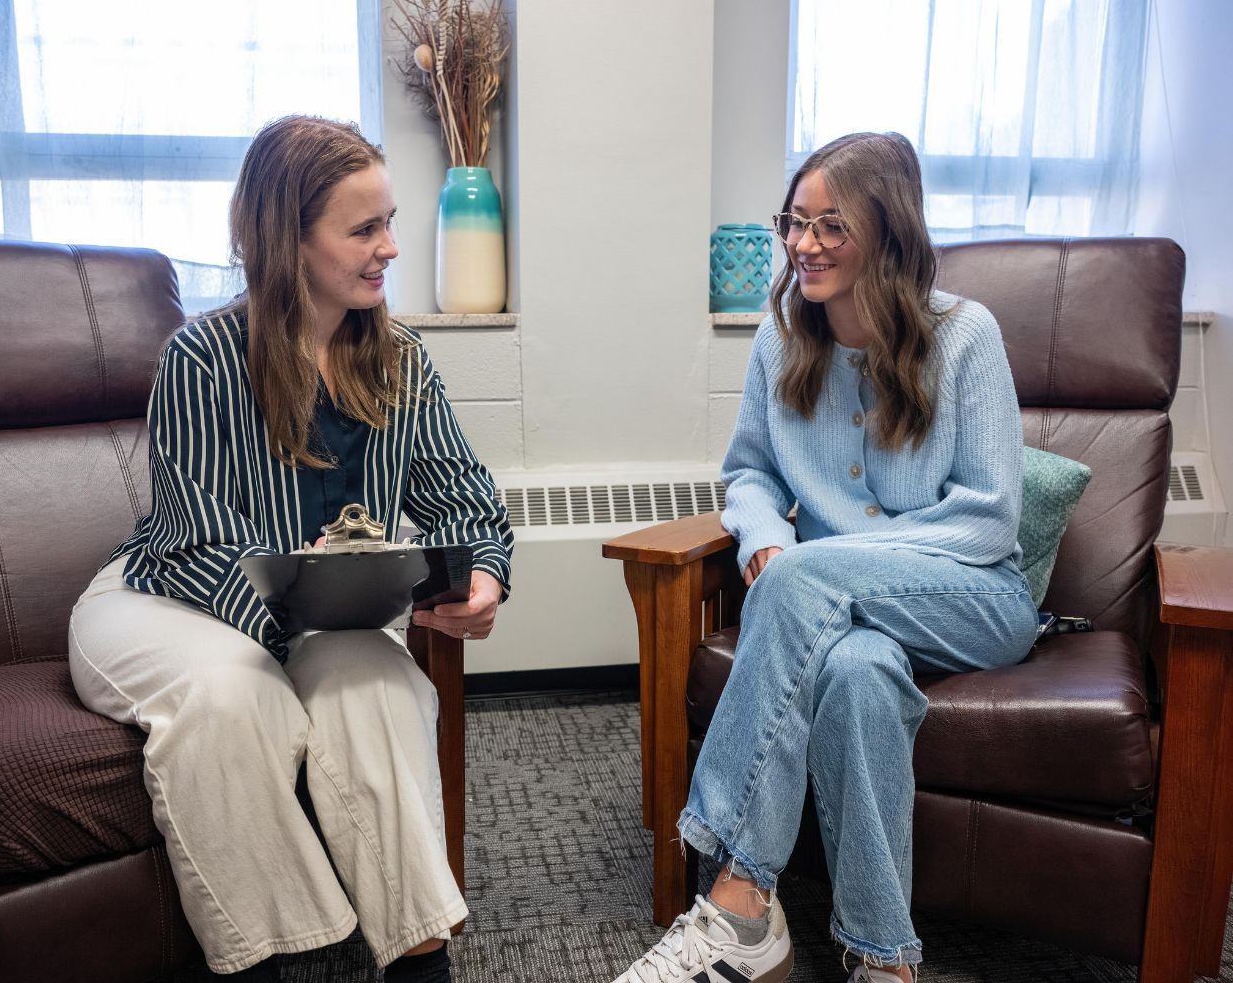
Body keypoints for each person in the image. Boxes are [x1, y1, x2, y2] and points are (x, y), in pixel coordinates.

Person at [68, 115, 513, 983]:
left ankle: (422, 965)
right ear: (289, 237)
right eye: (363, 229)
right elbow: (193, 540)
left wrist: (483, 576)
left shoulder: (403, 362)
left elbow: (469, 501)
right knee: (236, 698)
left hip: (316, 619)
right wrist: (305, 622)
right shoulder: (200, 355)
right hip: (162, 602)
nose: (389, 247)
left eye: (390, 221)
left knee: (380, 691)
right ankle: (276, 960)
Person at [611, 131, 1038, 983]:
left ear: (889, 231)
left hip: (973, 598)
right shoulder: (781, 337)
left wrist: (820, 563)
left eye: (831, 226)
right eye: (795, 223)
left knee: (810, 578)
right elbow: (750, 475)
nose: (804, 245)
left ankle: (737, 897)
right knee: (856, 674)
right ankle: (884, 959)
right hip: (840, 616)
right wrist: (770, 538)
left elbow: (989, 521)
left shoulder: (967, 337)